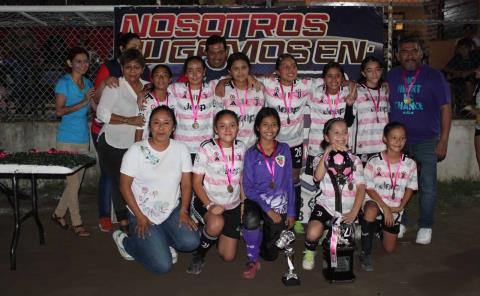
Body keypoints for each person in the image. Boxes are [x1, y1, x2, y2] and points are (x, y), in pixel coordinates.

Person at [113, 106, 199, 274]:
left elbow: (186, 184)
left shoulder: (181, 149)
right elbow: (124, 186)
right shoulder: (136, 150)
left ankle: (160, 240)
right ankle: (126, 243)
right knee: (162, 266)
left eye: (166, 123)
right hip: (141, 213)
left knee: (191, 242)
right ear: (149, 126)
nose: (161, 127)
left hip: (171, 211)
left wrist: (183, 210)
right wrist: (139, 217)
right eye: (156, 123)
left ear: (173, 127)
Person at [387, 35, 452, 245]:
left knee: (427, 185)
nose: (409, 55)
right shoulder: (390, 76)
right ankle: (401, 220)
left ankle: (425, 225)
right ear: (397, 55)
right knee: (398, 184)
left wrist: (443, 140)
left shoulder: (434, 76)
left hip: (427, 140)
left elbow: (446, 108)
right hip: (399, 142)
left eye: (414, 51)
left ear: (421, 53)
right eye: (404, 52)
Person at [92, 32, 150, 232]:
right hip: (111, 143)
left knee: (134, 183)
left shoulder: (147, 87)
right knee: (119, 182)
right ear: (122, 68)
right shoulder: (115, 85)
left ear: (142, 69)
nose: (132, 71)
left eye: (136, 67)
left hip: (136, 144)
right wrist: (129, 120)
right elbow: (102, 114)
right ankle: (124, 224)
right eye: (128, 67)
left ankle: (134, 218)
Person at [187, 110, 246, 275]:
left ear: (238, 128)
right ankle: (200, 254)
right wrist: (210, 205)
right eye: (222, 126)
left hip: (232, 205)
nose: (228, 130)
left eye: (232, 125)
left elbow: (241, 178)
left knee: (228, 257)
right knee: (216, 223)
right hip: (207, 201)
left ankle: (211, 234)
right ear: (215, 129)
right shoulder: (207, 147)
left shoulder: (241, 147)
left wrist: (243, 202)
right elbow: (196, 182)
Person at [301, 118, 365, 270]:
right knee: (312, 233)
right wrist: (327, 153)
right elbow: (317, 177)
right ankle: (310, 251)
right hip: (326, 206)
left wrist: (354, 213)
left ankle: (332, 232)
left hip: (347, 211)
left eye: (344, 133)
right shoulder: (319, 158)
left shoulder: (355, 160)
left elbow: (361, 188)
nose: (341, 136)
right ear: (326, 137)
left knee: (344, 244)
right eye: (336, 133)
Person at [241, 107, 295, 279]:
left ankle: (261, 236)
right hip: (257, 201)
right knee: (251, 219)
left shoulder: (285, 149)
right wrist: (268, 210)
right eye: (265, 125)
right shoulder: (250, 154)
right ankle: (252, 258)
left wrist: (292, 212)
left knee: (272, 255)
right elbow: (248, 188)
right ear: (257, 127)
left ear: (279, 127)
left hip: (279, 202)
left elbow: (289, 182)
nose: (269, 129)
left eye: (274, 125)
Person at [359, 122, 418, 271]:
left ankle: (379, 227)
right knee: (371, 211)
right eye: (394, 138)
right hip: (375, 201)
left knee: (389, 249)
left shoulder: (410, 164)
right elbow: (369, 188)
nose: (398, 142)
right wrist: (384, 208)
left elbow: (411, 187)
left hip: (395, 206)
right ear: (385, 139)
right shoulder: (374, 161)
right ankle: (365, 254)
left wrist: (401, 206)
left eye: (402, 138)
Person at [51, 47, 95, 237]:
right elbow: (59, 111)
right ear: (70, 63)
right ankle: (77, 223)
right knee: (73, 183)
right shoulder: (63, 83)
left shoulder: (88, 83)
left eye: (86, 61)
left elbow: (95, 107)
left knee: (75, 183)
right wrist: (83, 102)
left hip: (83, 139)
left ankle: (58, 214)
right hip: (66, 140)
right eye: (78, 61)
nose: (83, 64)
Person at [171, 56, 217, 161]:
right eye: (190, 71)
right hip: (181, 148)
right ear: (185, 73)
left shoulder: (212, 88)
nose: (195, 74)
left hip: (205, 148)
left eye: (198, 70)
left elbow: (229, 78)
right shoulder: (176, 88)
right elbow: (158, 88)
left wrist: (251, 78)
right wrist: (144, 92)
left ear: (204, 72)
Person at [216, 52, 265, 148]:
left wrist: (251, 77)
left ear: (249, 69)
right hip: (230, 146)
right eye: (236, 69)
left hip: (254, 146)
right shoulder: (223, 89)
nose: (240, 72)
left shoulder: (259, 88)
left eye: (244, 68)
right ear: (230, 71)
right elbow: (217, 119)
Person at [351, 56, 389, 164]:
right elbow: (348, 119)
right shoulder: (357, 91)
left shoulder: (385, 90)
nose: (374, 74)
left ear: (381, 71)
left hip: (383, 146)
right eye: (369, 70)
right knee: (363, 180)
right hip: (363, 148)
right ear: (363, 73)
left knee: (381, 180)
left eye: (377, 69)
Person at [135, 65, 175, 142]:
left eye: (165, 75)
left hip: (167, 143)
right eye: (157, 75)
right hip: (147, 144)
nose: (161, 78)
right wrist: (137, 149)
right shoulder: (145, 100)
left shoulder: (174, 99)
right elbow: (139, 128)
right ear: (152, 79)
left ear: (170, 79)